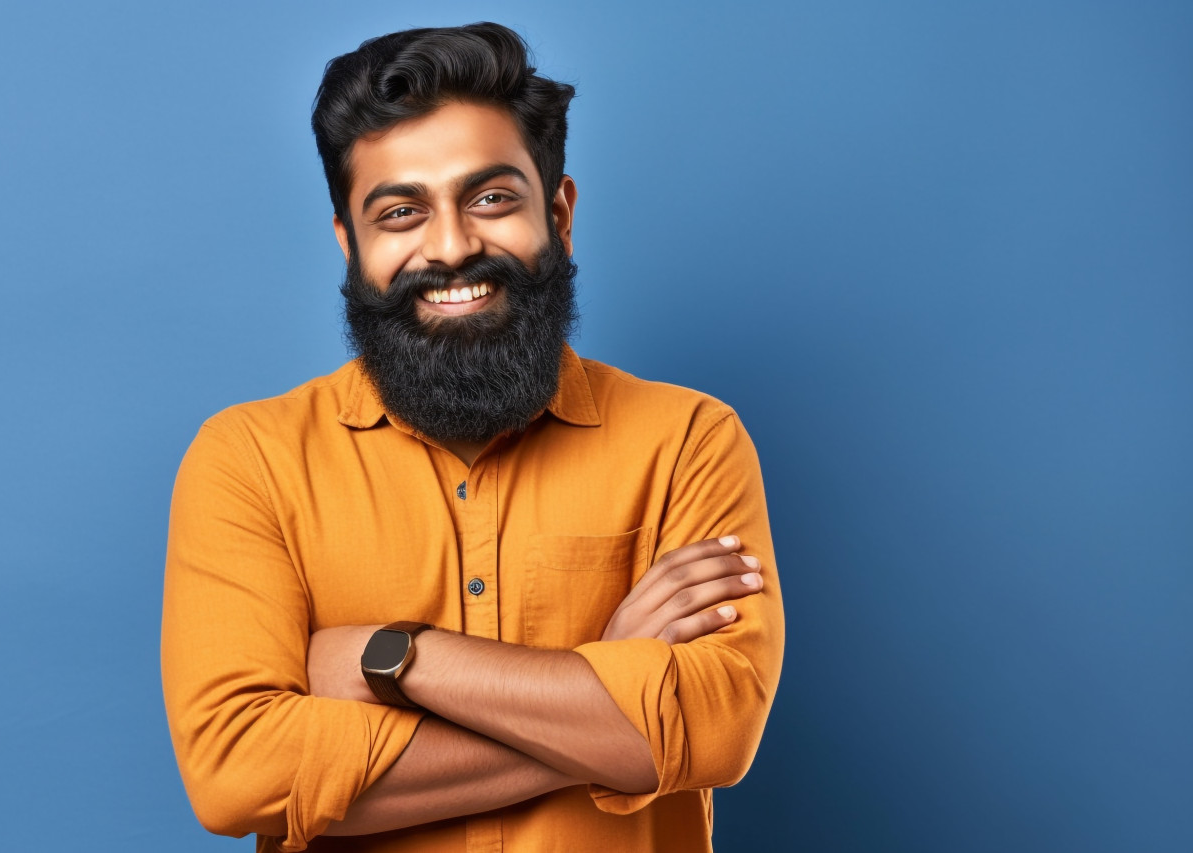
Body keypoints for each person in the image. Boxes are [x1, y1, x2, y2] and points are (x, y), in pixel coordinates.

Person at [161, 22, 784, 853]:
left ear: (558, 212)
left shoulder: (689, 442)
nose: (451, 247)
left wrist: (394, 657)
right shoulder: (249, 461)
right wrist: (604, 713)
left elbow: (713, 731)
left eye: (491, 198)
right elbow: (237, 770)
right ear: (350, 243)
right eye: (400, 212)